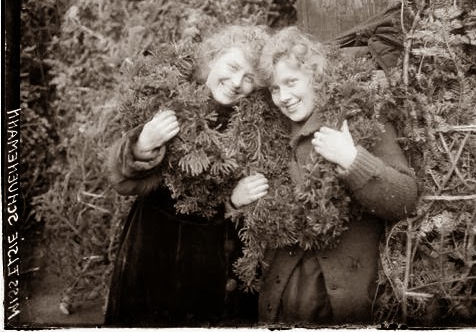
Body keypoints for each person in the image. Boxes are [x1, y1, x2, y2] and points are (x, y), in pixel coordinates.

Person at [233, 26, 418, 326]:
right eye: (275, 89)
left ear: (315, 75)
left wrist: (352, 159)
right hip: (280, 299)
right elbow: (253, 224)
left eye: (291, 82)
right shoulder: (267, 134)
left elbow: (406, 197)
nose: (284, 97)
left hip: (340, 301)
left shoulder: (360, 118)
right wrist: (236, 199)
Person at [104, 25, 270, 327]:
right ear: (213, 59)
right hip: (157, 251)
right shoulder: (171, 101)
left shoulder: (254, 127)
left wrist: (232, 201)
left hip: (212, 261)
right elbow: (121, 180)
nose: (236, 82)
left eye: (249, 78)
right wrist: (143, 144)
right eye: (232, 67)